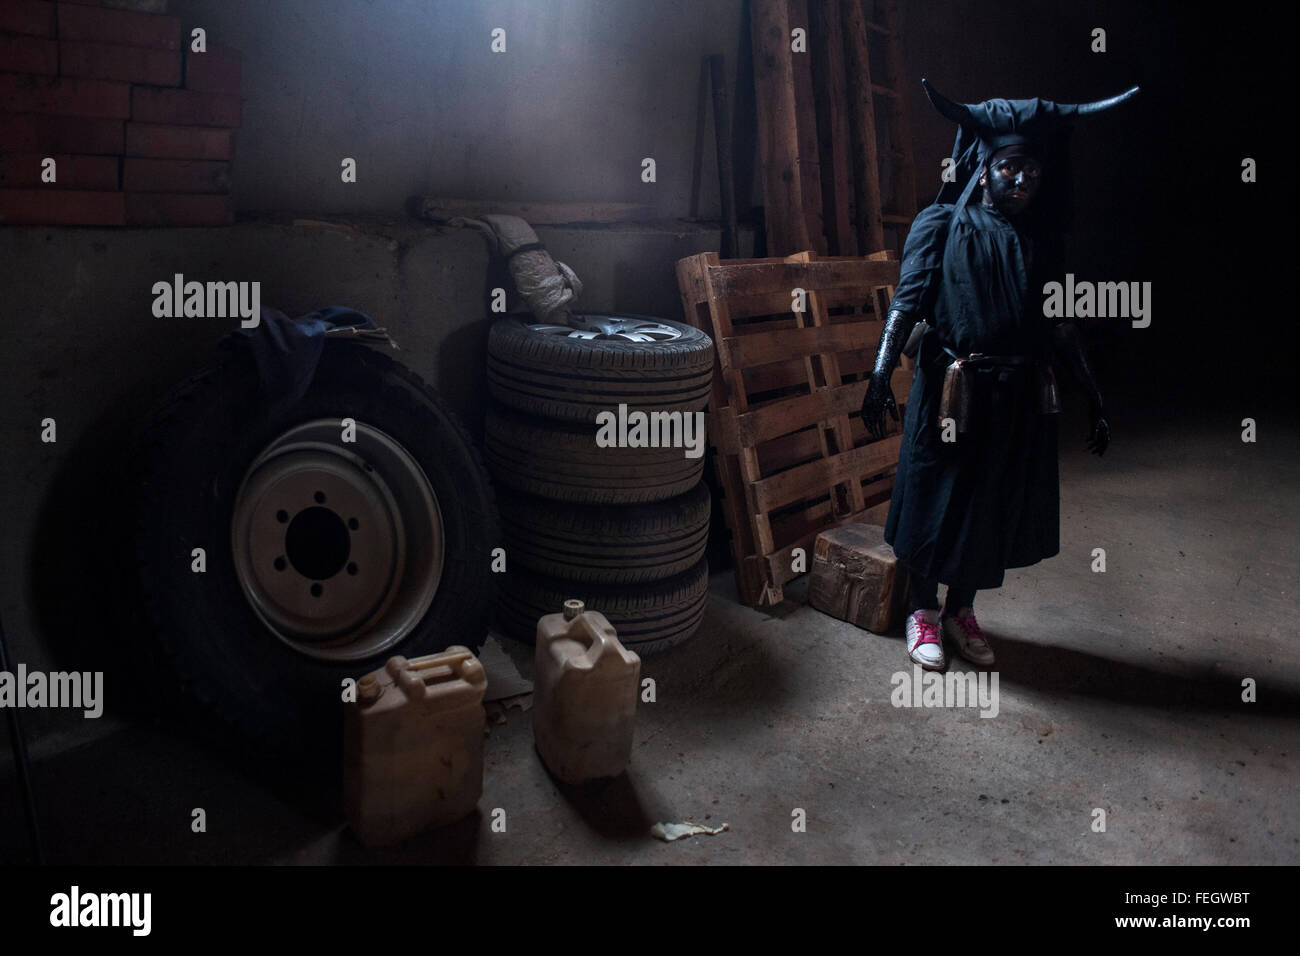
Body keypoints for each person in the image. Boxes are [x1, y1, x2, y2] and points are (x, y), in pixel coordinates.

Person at [860, 79, 1138, 670]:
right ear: (984, 169)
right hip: (952, 391)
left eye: (1032, 171)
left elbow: (1060, 325)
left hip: (1015, 397)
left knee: (990, 506)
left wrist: (1093, 396)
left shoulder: (1041, 242)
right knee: (938, 501)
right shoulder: (940, 224)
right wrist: (881, 371)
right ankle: (923, 611)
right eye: (1011, 168)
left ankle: (962, 610)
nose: (1023, 180)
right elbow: (905, 306)